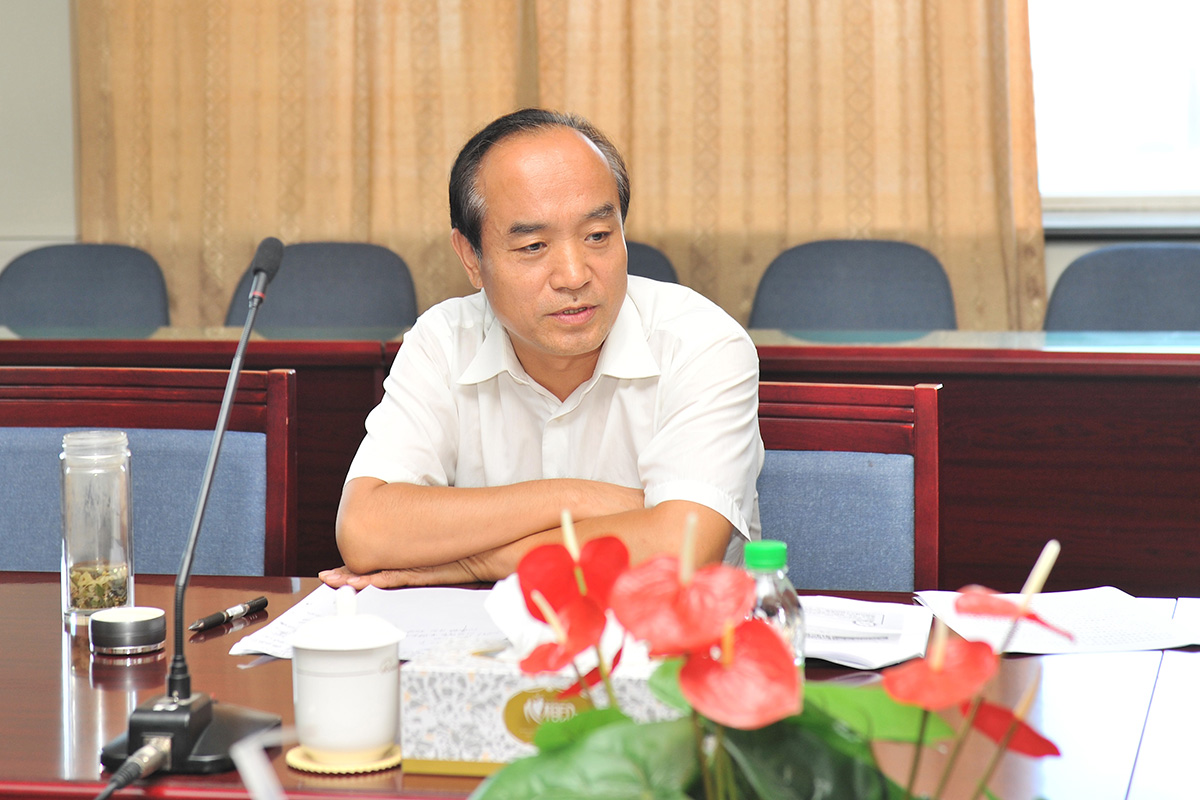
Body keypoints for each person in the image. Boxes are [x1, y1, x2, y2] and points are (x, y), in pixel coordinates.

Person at [320, 108, 762, 590]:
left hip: (664, 636)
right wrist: (575, 499)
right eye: (533, 246)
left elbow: (682, 548)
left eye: (598, 236)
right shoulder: (443, 341)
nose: (574, 276)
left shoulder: (702, 343)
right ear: (471, 257)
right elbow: (366, 530)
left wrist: (473, 563)